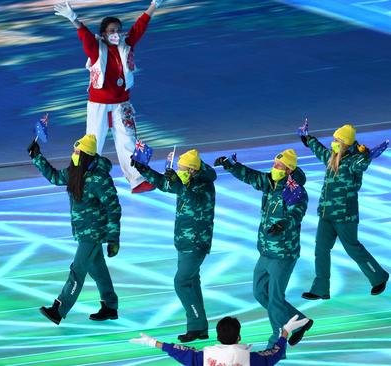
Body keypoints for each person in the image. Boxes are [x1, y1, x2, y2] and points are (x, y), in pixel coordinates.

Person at [53, 0, 167, 194]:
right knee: (92, 143)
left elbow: (139, 27)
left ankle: (137, 180)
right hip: (99, 104)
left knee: (128, 141)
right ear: (104, 33)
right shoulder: (96, 49)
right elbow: (85, 37)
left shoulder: (126, 46)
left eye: (118, 30)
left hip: (122, 104)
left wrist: (154, 5)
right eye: (112, 30)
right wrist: (74, 19)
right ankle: (83, 179)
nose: (116, 34)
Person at [214, 149, 313, 352]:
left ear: (289, 169)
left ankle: (276, 343)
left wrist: (282, 224)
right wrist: (230, 165)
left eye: (279, 166)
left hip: (283, 253)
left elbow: (297, 213)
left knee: (275, 300)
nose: (274, 168)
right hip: (266, 251)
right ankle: (301, 321)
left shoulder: (296, 190)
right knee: (260, 293)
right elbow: (251, 176)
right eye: (274, 164)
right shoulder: (270, 182)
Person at [28, 134, 121, 324]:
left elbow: (114, 207)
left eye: (78, 152)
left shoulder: (99, 179)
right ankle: (110, 306)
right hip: (82, 231)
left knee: (78, 269)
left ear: (87, 155)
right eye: (74, 151)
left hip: (93, 233)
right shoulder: (75, 172)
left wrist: (113, 238)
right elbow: (54, 177)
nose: (74, 154)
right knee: (98, 271)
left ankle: (59, 309)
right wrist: (37, 156)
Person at [131, 149, 216, 342]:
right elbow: (164, 184)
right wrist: (144, 169)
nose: (179, 172)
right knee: (191, 282)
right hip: (184, 242)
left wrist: (178, 184)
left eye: (183, 169)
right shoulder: (186, 181)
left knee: (181, 282)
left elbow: (194, 201)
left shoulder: (205, 186)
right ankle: (200, 328)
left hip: (195, 243)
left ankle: (195, 325)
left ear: (193, 170)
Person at [298, 122, 389, 299]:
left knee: (353, 248)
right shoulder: (333, 157)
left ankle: (378, 277)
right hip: (326, 214)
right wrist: (308, 138)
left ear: (345, 143)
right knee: (321, 250)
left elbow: (361, 164)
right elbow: (320, 150)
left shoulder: (354, 161)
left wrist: (367, 156)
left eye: (336, 140)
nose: (333, 142)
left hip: (344, 216)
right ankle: (320, 289)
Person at [129, 315, 310, 365]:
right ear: (239, 337)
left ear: (217, 337)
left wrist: (153, 342)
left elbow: (179, 351)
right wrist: (285, 332)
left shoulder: (205, 357)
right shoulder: (251, 359)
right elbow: (274, 354)